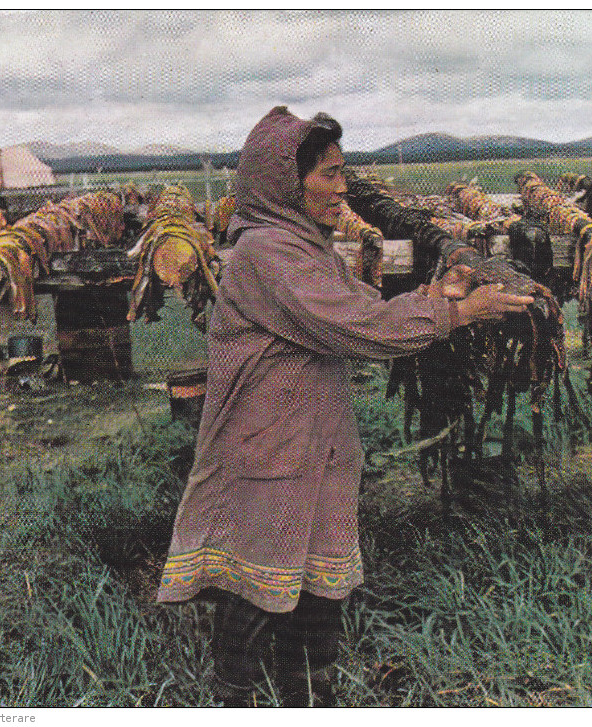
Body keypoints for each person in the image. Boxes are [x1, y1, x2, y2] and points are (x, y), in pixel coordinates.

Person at [155, 106, 533, 707]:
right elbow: (362, 325)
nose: (342, 187)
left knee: (316, 603)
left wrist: (440, 293)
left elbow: (354, 302)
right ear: (286, 181)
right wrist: (459, 313)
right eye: (328, 174)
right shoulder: (267, 255)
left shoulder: (302, 248)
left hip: (312, 451)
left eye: (342, 172)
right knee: (252, 601)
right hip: (268, 455)